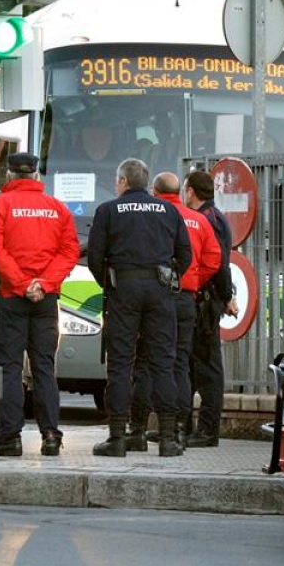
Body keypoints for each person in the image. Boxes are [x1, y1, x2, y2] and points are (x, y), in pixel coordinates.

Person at [87, 158, 192, 457]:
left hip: (124, 290)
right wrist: (168, 278)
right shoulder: (169, 210)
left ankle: (118, 438)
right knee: (162, 363)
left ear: (122, 181)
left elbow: (95, 256)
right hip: (160, 292)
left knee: (120, 364)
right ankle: (169, 439)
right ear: (145, 182)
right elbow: (185, 254)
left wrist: (110, 284)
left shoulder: (108, 210)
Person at [127, 172, 221, 450]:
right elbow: (213, 259)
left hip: (156, 295)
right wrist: (192, 280)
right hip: (186, 299)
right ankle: (178, 429)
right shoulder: (199, 219)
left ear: (154, 191)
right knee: (180, 362)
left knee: (145, 362)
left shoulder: (153, 215)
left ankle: (139, 427)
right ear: (181, 191)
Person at [0, 152, 80, 457]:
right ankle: (50, 435)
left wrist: (20, 283)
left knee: (10, 368)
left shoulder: (0, 205)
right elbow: (69, 251)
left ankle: (10, 438)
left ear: (9, 176)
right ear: (36, 176)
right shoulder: (58, 208)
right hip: (46, 299)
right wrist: (43, 284)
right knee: (44, 367)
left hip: (10, 298)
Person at [183, 170, 239, 448]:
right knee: (193, 367)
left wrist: (226, 296)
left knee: (208, 369)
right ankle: (184, 427)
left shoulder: (208, 219)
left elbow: (218, 263)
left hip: (206, 302)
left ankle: (207, 431)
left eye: (185, 188)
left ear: (191, 191)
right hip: (206, 299)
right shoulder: (212, 216)